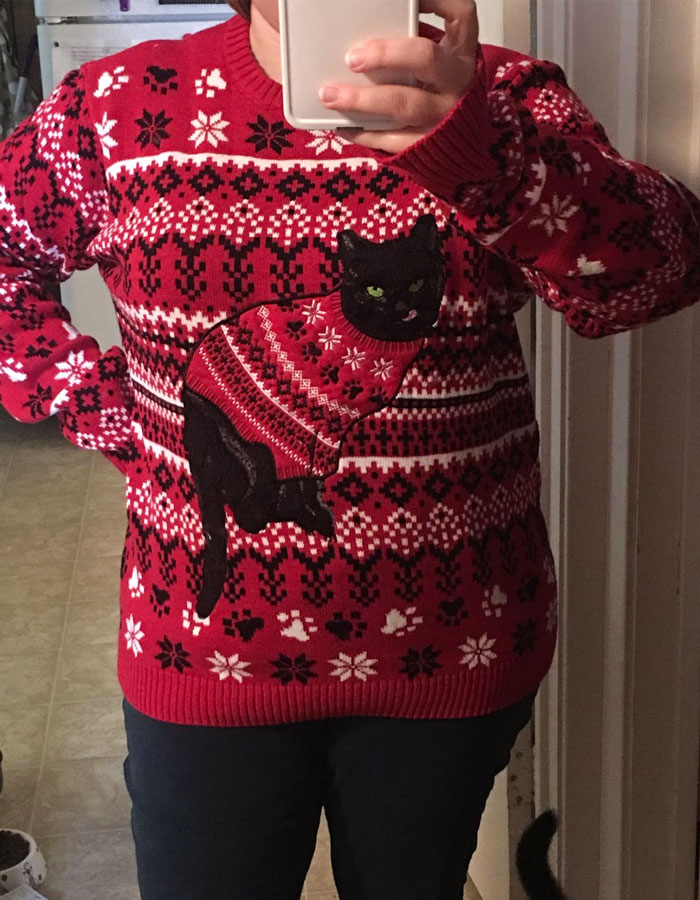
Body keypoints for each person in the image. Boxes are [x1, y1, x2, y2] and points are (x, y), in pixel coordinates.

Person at [1, 0, 699, 897]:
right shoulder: (118, 106)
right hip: (206, 654)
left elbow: (660, 273)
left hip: (454, 646)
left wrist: (487, 158)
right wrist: (110, 412)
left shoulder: (505, 99)